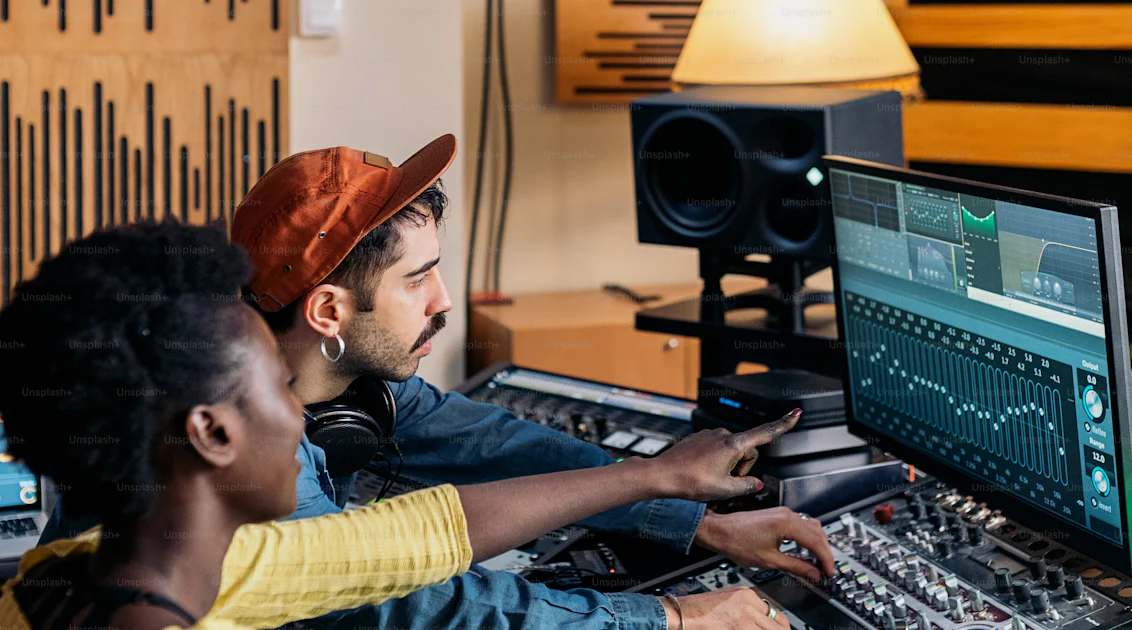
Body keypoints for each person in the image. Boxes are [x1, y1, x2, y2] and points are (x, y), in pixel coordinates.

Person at [42, 137, 836, 629]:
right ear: (328, 310)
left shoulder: (350, 385)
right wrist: (665, 617)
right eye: (417, 279)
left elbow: (490, 454)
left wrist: (685, 517)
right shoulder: (210, 482)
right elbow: (403, 602)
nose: (446, 302)